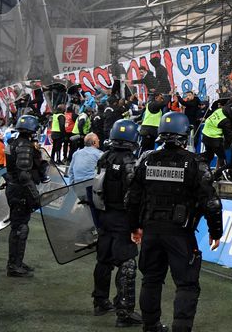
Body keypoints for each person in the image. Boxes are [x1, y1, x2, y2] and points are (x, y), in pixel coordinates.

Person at [125, 112, 223, 332]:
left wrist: (135, 227)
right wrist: (216, 231)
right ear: (185, 134)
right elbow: (212, 203)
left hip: (150, 231)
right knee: (186, 285)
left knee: (150, 280)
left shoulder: (146, 160)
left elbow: (131, 198)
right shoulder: (194, 163)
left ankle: (150, 327)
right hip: (180, 234)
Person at [92, 119, 142, 327]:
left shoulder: (104, 157)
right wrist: (136, 225)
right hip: (122, 219)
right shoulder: (130, 161)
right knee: (127, 264)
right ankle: (124, 312)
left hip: (104, 216)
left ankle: (100, 301)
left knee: (103, 261)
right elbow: (133, 196)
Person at [4, 115, 44, 277]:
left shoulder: (13, 143)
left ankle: (16, 263)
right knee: (20, 228)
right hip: (20, 190)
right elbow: (24, 175)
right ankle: (14, 266)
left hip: (15, 189)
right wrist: (36, 197)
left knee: (19, 227)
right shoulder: (25, 146)